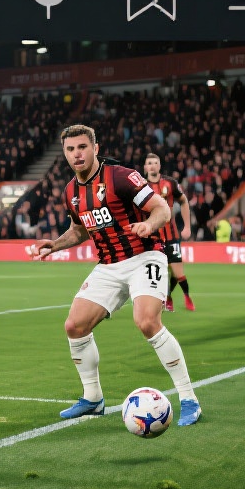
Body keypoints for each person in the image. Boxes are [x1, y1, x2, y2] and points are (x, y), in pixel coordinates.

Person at [30, 124, 201, 426]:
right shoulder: (71, 192)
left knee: (147, 321)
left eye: (82, 147)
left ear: (95, 148)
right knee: (74, 326)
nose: (77, 154)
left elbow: (162, 208)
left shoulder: (120, 176)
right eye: (70, 149)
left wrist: (149, 225)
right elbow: (80, 230)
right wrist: (54, 245)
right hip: (109, 265)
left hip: (145, 256)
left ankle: (189, 399)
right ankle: (93, 398)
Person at [142, 152, 195, 312]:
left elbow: (184, 201)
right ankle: (162, 299)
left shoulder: (170, 183)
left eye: (155, 163)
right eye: (149, 163)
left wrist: (187, 226)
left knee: (177, 272)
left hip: (171, 235)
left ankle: (182, 296)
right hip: (151, 236)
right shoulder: (141, 186)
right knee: (155, 271)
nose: (152, 166)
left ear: (159, 166)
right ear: (145, 167)